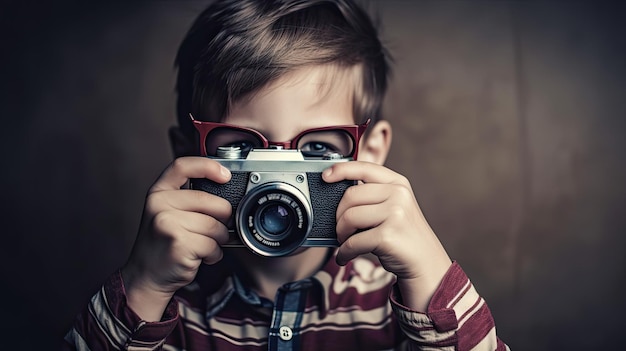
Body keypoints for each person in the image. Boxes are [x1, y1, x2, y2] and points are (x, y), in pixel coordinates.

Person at [64, 0, 509, 350]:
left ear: (369, 154)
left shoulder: (404, 310)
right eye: (243, 145)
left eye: (316, 149)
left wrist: (432, 280)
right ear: (188, 153)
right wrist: (142, 287)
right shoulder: (163, 309)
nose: (279, 178)